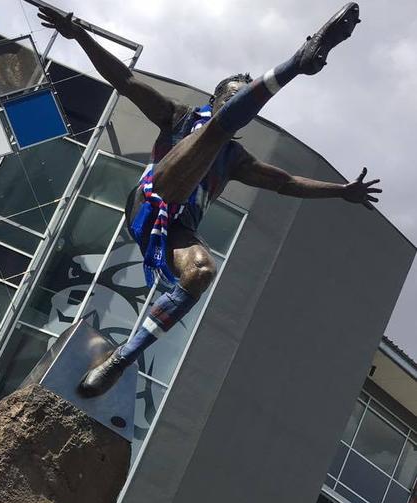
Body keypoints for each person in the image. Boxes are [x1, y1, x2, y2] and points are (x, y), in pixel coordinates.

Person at [37, 4, 381, 397]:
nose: (236, 107)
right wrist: (79, 34)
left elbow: (285, 183)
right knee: (215, 132)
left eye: (242, 102)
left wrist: (342, 192)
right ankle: (296, 63)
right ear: (215, 98)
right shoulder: (178, 117)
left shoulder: (235, 159)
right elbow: (125, 79)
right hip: (151, 203)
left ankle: (122, 358)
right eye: (232, 98)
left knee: (201, 272)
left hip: (178, 230)